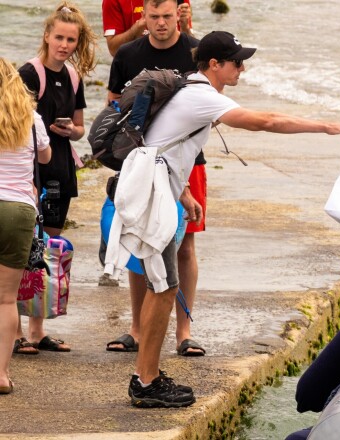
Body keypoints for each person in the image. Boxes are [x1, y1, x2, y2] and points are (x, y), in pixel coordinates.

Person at [120, 30, 340, 408]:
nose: (243, 67)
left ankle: (146, 375)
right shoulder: (201, 95)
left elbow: (165, 143)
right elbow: (265, 121)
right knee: (164, 287)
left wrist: (184, 194)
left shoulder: (194, 92)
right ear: (214, 65)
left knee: (164, 287)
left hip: (159, 193)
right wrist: (326, 125)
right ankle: (145, 380)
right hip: (152, 197)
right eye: (237, 61)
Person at [103, 0, 206, 357]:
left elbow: (213, 105)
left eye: (167, 16)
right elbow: (114, 104)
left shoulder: (196, 51)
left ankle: (184, 331)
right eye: (154, 17)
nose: (161, 23)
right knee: (137, 241)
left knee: (185, 243)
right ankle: (137, 327)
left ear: (179, 13)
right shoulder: (128, 54)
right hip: (138, 159)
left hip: (189, 159)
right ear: (143, 16)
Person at [15, 1, 97, 354]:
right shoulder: (30, 73)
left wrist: (68, 130)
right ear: (46, 36)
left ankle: (37, 330)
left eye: (71, 40)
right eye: (59, 38)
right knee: (20, 253)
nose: (64, 45)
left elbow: (80, 129)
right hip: (30, 173)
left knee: (48, 251)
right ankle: (13, 331)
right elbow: (13, 123)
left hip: (61, 169)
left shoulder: (74, 77)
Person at [0, 57, 52, 394]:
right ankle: (1, 374)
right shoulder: (31, 119)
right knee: (5, 299)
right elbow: (45, 157)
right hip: (18, 210)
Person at [102, 0, 193, 57]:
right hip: (136, 64)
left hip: (175, 63)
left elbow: (192, 51)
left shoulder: (181, 2)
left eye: (166, 16)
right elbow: (113, 50)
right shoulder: (112, 1)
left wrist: (185, 27)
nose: (161, 22)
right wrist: (136, 29)